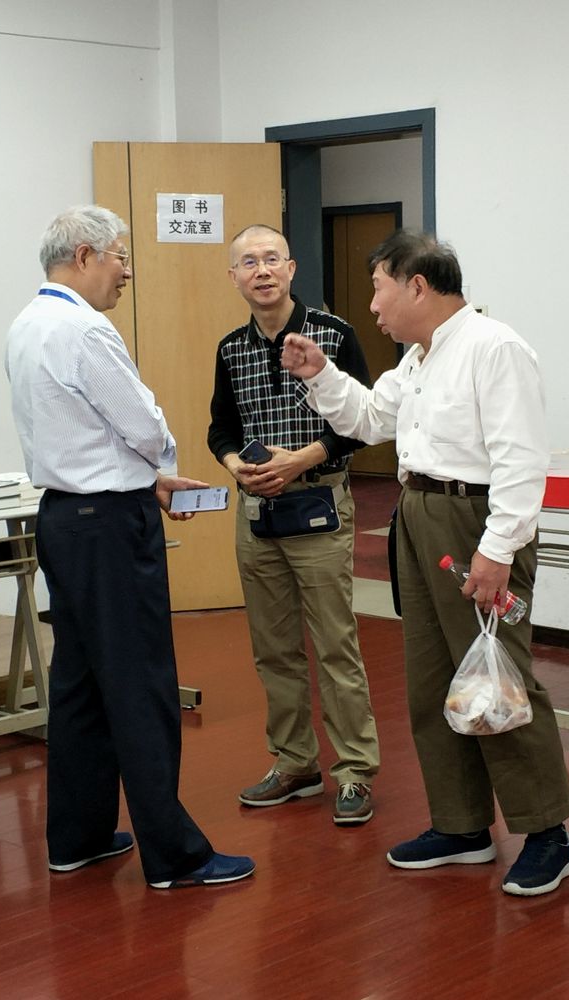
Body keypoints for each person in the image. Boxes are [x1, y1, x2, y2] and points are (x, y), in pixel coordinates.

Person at [281, 229, 569, 896]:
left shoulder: (493, 348)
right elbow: (366, 419)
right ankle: (462, 825)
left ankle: (548, 833)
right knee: (433, 680)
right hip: (418, 518)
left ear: (418, 285)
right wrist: (319, 374)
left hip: (474, 523)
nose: (374, 306)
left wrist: (498, 551)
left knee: (498, 681)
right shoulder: (417, 360)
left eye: (380, 289)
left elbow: (522, 460)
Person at [5, 204, 254, 889]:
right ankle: (175, 857)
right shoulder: (86, 328)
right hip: (110, 527)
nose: (128, 271)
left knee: (80, 682)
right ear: (84, 255)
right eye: (120, 255)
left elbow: (79, 434)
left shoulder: (26, 324)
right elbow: (141, 424)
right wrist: (155, 465)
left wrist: (146, 480)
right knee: (142, 684)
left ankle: (77, 838)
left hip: (63, 517)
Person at [207, 224, 380, 826]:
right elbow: (219, 428)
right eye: (248, 262)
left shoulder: (334, 335)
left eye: (272, 259)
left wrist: (302, 458)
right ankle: (294, 762)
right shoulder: (231, 348)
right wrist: (236, 466)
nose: (261, 271)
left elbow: (363, 421)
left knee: (335, 644)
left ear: (292, 267)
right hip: (255, 510)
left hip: (319, 502)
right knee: (273, 648)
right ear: (233, 276)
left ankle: (355, 769)